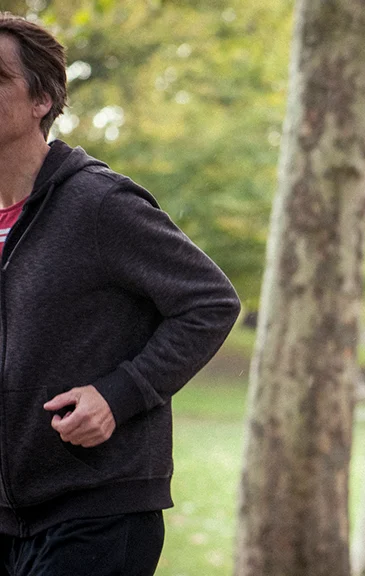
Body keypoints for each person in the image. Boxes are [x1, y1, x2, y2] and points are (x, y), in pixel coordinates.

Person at [0, 14, 240, 575]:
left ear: (43, 100)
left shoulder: (99, 204)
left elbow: (210, 302)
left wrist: (120, 394)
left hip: (97, 510)